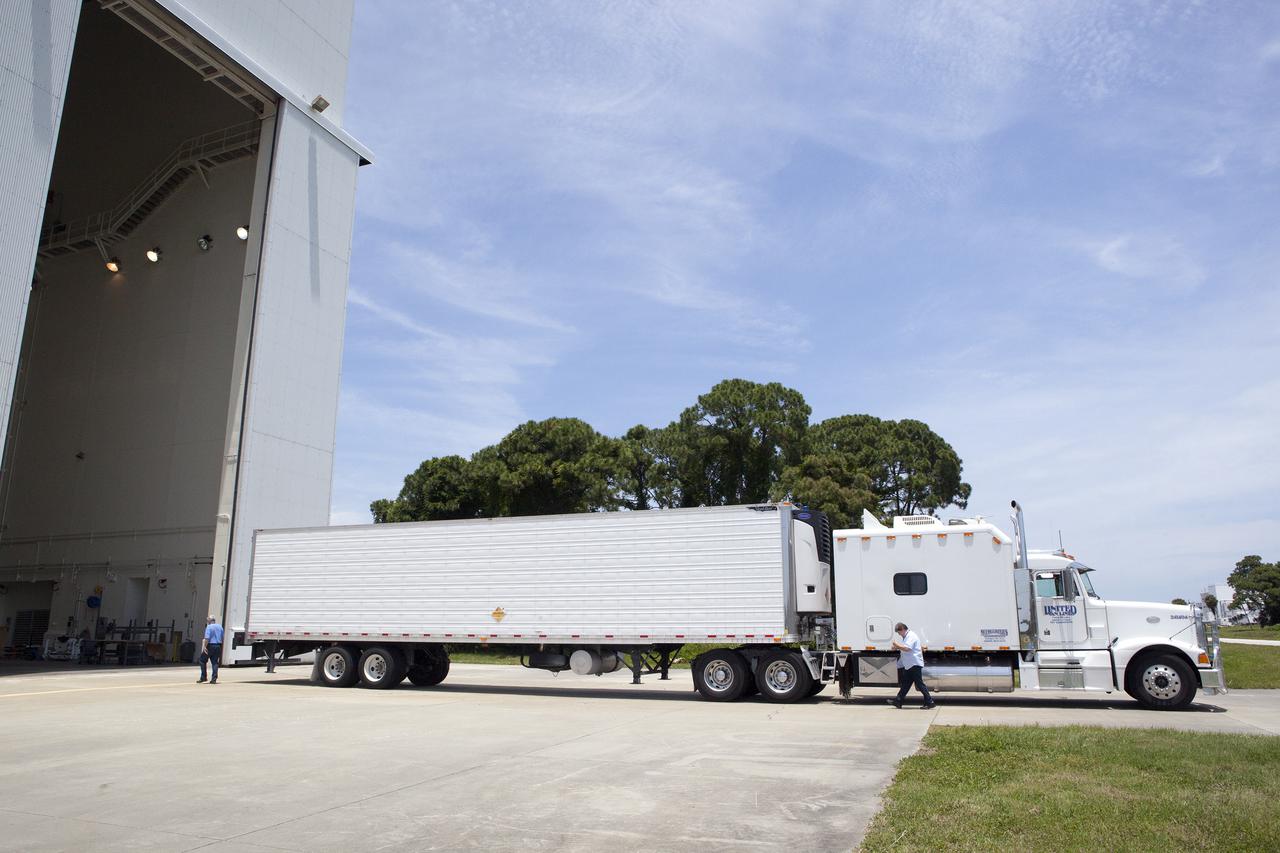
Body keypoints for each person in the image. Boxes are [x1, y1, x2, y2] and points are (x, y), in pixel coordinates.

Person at [888, 622, 935, 709]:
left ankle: (930, 701)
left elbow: (907, 648)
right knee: (906, 684)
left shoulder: (911, 636)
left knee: (919, 684)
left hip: (914, 664)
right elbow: (906, 647)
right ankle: (898, 701)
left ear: (902, 629)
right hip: (910, 665)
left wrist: (897, 645)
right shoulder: (906, 637)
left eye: (899, 632)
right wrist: (897, 647)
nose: (899, 634)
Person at [198, 615, 224, 684]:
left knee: (202, 660)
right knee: (215, 662)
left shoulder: (209, 627)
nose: (207, 622)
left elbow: (207, 638)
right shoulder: (220, 626)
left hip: (210, 645)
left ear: (210, 621)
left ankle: (203, 677)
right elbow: (222, 637)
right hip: (218, 645)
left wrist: (204, 647)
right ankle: (214, 679)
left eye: (208, 620)